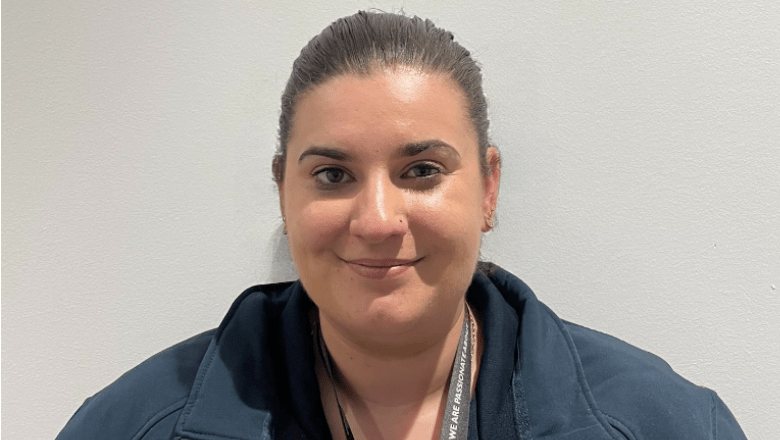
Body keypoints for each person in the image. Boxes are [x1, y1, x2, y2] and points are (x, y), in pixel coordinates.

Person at [57, 11, 746, 440]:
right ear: (283, 193)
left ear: (488, 188)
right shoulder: (129, 426)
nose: (378, 221)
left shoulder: (670, 425)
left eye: (421, 171)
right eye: (333, 175)